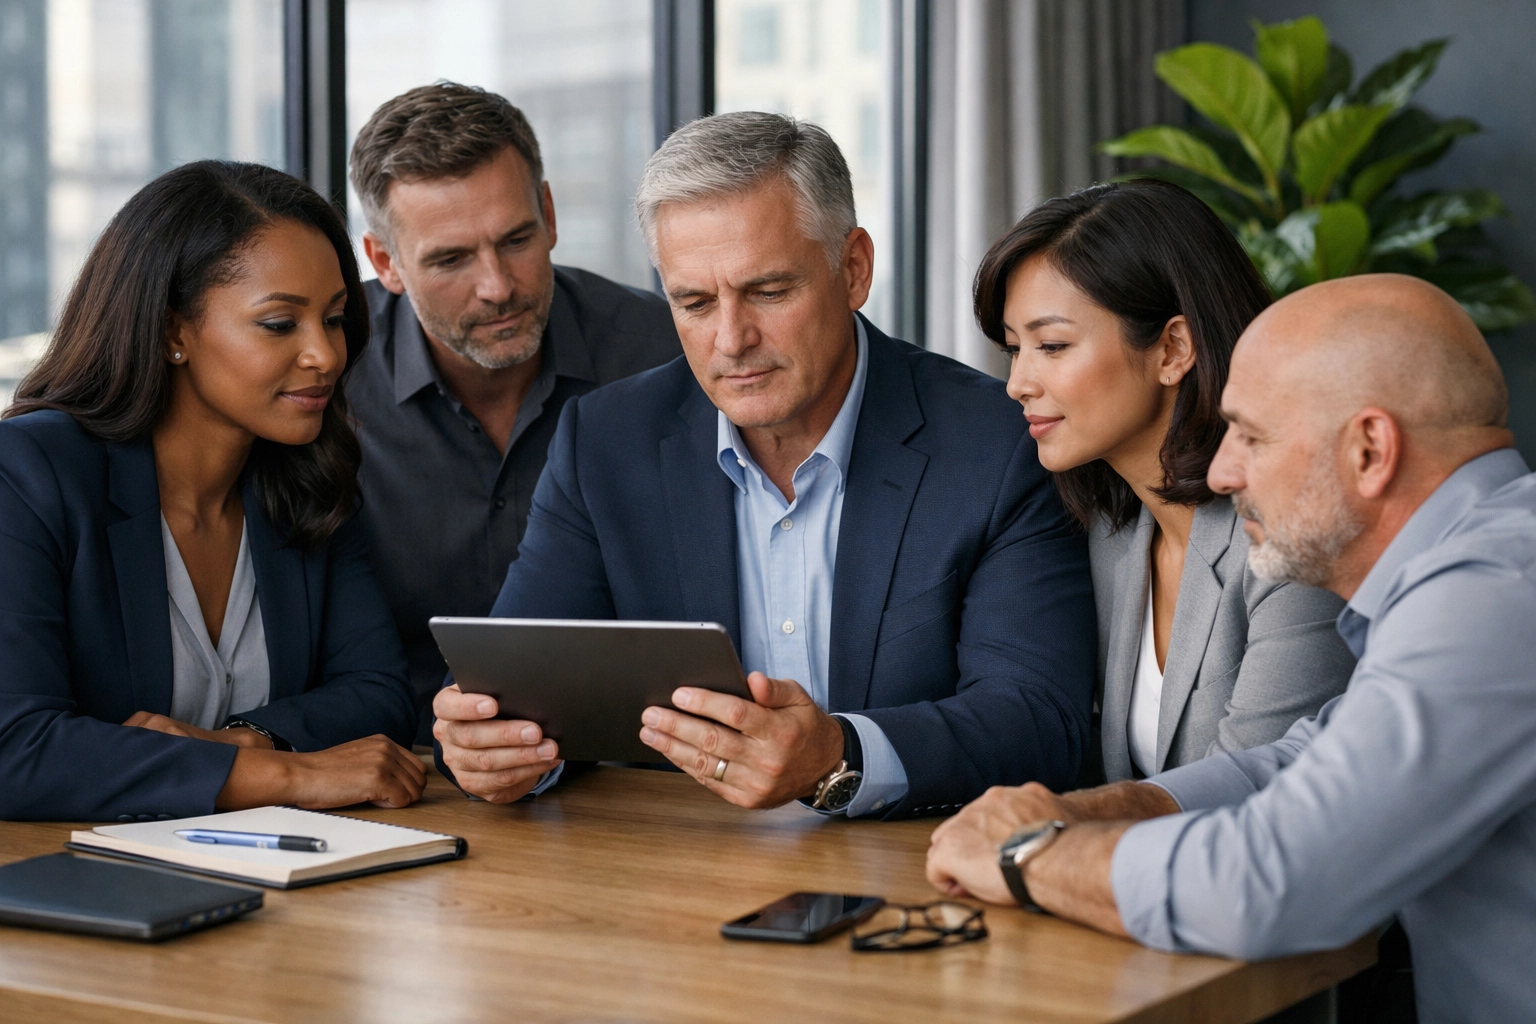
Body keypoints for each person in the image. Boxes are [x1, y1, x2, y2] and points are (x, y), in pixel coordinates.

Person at [432, 112, 1098, 818]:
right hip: (676, 873)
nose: (731, 340)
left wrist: (839, 754)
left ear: (854, 269)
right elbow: (509, 688)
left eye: (769, 291)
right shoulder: (603, 443)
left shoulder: (997, 444)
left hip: (921, 871)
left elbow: (1037, 721)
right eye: (693, 302)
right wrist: (491, 752)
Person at [926, 274, 1536, 1023]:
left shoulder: (1496, 592)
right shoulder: (1486, 566)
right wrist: (1101, 809)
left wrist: (1027, 857)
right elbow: (1306, 758)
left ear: (1370, 450)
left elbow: (1273, 881)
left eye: (1251, 434)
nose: (1221, 471)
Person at [0, 161, 425, 822]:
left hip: (273, 881)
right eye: (280, 324)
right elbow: (14, 748)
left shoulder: (309, 475)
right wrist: (283, 773)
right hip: (64, 889)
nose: (325, 355)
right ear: (174, 332)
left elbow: (377, 695)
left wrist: (235, 744)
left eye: (336, 318)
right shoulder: (27, 474)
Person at [973, 180, 1354, 784]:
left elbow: (1262, 791)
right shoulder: (1112, 531)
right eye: (1014, 350)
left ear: (1174, 348)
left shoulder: (1291, 535)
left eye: (1051, 345)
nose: (1019, 382)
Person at [346, 83, 681, 740]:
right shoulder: (326, 377)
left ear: (550, 215)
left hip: (637, 775)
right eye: (450, 259)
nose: (498, 287)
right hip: (404, 769)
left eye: (517, 239)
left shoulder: (669, 355)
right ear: (385, 261)